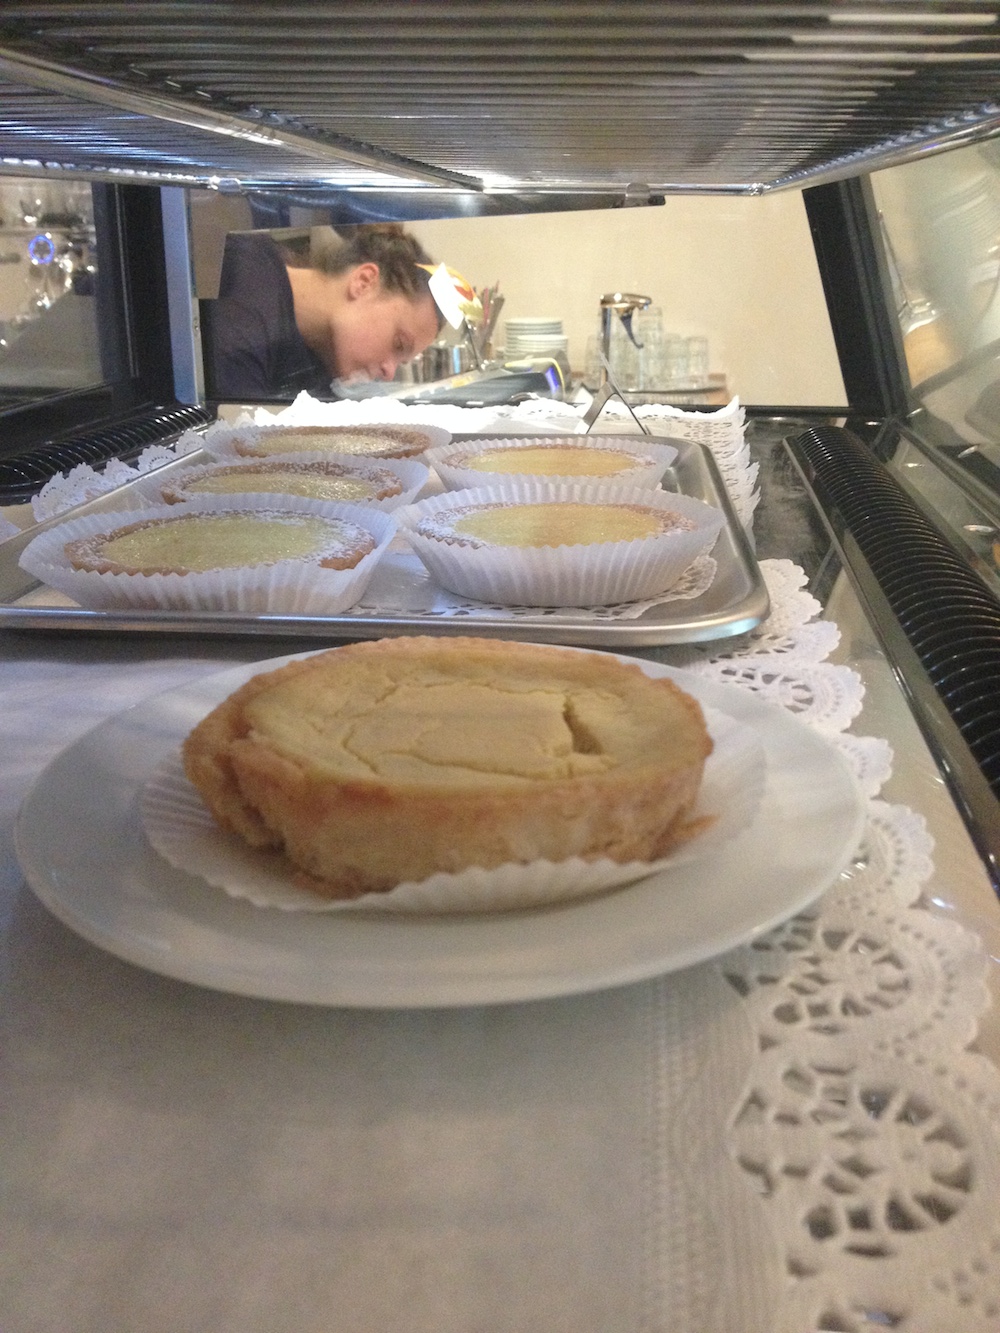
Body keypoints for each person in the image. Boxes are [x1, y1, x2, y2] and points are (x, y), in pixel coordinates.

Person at [202, 222, 443, 401]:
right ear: (364, 282)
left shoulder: (322, 359)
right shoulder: (243, 281)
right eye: (398, 344)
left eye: (401, 362)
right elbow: (233, 433)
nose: (389, 372)